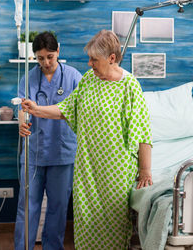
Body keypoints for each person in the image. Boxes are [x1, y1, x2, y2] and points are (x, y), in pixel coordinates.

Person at [21, 30, 153, 249]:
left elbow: (143, 133)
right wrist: (37, 110)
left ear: (112, 58)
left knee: (113, 226)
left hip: (116, 170)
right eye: (89, 58)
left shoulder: (130, 86)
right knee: (86, 225)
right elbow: (66, 109)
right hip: (87, 169)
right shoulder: (89, 80)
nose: (90, 63)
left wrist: (145, 170)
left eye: (94, 59)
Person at [14, 31, 82, 250]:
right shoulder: (29, 77)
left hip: (62, 153)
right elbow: (22, 108)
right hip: (34, 152)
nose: (45, 62)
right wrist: (21, 123)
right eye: (40, 58)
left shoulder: (73, 77)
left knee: (58, 207)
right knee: (27, 206)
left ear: (58, 51)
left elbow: (81, 110)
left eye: (50, 57)